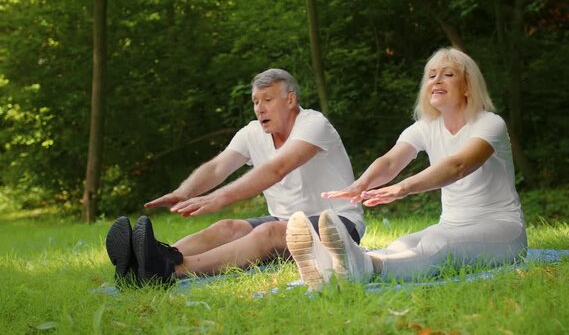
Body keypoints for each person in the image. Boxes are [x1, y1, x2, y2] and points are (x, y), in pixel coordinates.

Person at [285, 47, 527, 289]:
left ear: (467, 86)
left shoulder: (490, 124)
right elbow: (390, 162)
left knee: (437, 242)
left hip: (504, 230)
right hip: (450, 225)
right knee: (400, 246)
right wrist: (361, 184)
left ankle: (363, 267)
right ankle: (326, 268)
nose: (437, 80)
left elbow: (458, 166)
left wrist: (403, 188)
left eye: (448, 74)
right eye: (431, 75)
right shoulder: (425, 127)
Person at [105, 68, 365, 286]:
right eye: (255, 101)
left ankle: (168, 270)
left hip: (338, 225)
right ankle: (144, 261)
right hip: (283, 220)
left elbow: (277, 169)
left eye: (267, 99)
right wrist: (185, 192)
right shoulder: (253, 132)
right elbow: (218, 167)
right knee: (226, 227)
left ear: (290, 100)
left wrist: (219, 197)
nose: (259, 108)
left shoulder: (313, 124)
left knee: (268, 232)